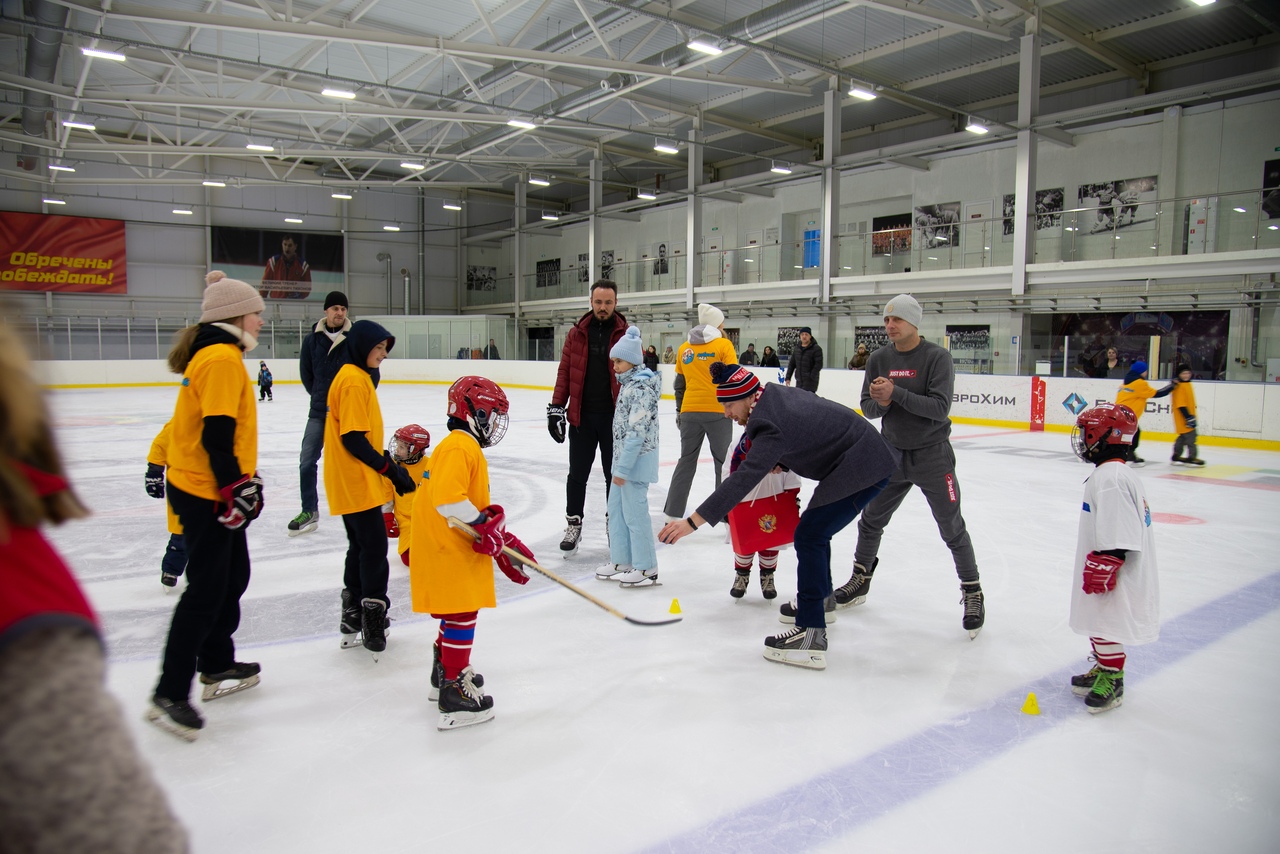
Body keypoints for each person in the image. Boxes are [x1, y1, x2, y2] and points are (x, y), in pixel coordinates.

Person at [0, 319, 189, 852]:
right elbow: (112, 825)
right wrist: (158, 468)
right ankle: (173, 568)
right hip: (186, 506)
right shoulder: (26, 596)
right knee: (180, 541)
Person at [658, 363, 898, 670]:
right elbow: (805, 428)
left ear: (746, 397)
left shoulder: (769, 423)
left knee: (810, 535)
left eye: (729, 405)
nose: (727, 414)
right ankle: (821, 603)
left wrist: (692, 522)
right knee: (815, 532)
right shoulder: (772, 395)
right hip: (862, 456)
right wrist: (782, 460)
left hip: (864, 465)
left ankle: (811, 634)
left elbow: (742, 479)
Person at [149, 271, 266, 741]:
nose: (260, 320)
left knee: (232, 577)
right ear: (235, 314)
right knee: (204, 591)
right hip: (203, 490)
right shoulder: (220, 358)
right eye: (256, 311)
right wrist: (235, 486)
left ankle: (216, 664)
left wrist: (241, 481)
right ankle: (169, 691)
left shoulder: (218, 354)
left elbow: (222, 436)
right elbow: (215, 435)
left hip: (205, 484)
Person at [836, 294, 985, 638]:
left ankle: (972, 591)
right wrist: (881, 401)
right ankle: (861, 578)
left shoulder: (937, 358)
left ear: (914, 323)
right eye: (887, 320)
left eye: (896, 320)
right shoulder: (878, 358)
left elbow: (939, 408)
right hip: (892, 455)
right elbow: (868, 409)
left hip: (933, 456)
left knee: (951, 526)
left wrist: (896, 393)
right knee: (871, 519)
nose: (889, 326)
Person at [409, 376, 535, 730]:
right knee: (463, 611)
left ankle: (445, 670)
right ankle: (453, 692)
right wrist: (483, 524)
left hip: (444, 543)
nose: (494, 423)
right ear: (474, 412)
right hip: (448, 547)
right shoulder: (461, 447)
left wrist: (492, 531)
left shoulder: (454, 446)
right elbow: (448, 499)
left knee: (456, 610)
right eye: (492, 414)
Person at [324, 320, 417, 655]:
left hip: (351, 477)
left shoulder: (356, 377)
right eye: (378, 347)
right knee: (375, 549)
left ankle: (353, 614)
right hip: (355, 478)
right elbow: (352, 438)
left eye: (386, 349)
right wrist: (389, 469)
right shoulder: (351, 381)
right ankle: (373, 617)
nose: (383, 354)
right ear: (362, 345)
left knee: (360, 547)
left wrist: (386, 468)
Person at [1067, 404, 1161, 713]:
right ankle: (1105, 667)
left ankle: (1113, 678)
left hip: (1116, 572)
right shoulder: (1112, 473)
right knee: (1098, 620)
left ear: (1104, 436)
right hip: (1111, 565)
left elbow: (1121, 527)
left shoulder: (1111, 478)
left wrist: (1108, 560)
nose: (1082, 439)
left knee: (1106, 621)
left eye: (1086, 433)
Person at [547, 280, 628, 556]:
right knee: (577, 475)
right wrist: (557, 407)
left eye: (608, 302)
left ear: (615, 303)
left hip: (613, 420)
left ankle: (613, 525)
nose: (603, 307)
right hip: (581, 418)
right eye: (598, 302)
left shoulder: (627, 334)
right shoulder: (576, 334)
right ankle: (573, 524)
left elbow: (635, 377)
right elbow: (565, 372)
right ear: (591, 302)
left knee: (613, 476)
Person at [595, 326, 662, 587]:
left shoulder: (641, 389)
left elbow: (636, 433)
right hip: (621, 464)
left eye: (619, 361)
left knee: (635, 515)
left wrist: (622, 469)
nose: (614, 366)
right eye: (613, 361)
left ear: (632, 361)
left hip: (635, 464)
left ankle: (647, 567)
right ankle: (622, 559)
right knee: (617, 512)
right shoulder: (627, 385)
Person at [664, 303, 737, 520]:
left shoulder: (684, 348)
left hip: (689, 412)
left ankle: (671, 515)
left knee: (686, 460)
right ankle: (726, 517)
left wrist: (680, 410)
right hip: (718, 411)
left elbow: (680, 384)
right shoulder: (724, 345)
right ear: (717, 324)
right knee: (723, 464)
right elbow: (733, 379)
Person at [291, 290, 351, 536]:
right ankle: (309, 511)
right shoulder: (312, 340)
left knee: (354, 463)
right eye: (335, 308)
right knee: (307, 462)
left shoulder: (354, 338)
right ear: (326, 311)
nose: (339, 312)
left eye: (343, 309)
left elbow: (370, 376)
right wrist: (319, 396)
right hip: (318, 413)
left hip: (346, 414)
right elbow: (307, 375)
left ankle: (362, 511)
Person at [725, 432, 800, 601]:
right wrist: (727, 496)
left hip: (774, 498)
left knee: (770, 539)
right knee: (746, 538)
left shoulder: (782, 440)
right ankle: (741, 574)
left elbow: (792, 470)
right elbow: (728, 469)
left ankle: (768, 575)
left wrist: (792, 493)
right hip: (745, 499)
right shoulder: (739, 442)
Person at [145, 421, 187, 589]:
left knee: (215, 533)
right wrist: (154, 471)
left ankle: (215, 570)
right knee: (181, 533)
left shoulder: (221, 423)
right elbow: (160, 445)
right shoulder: (179, 424)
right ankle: (171, 569)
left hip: (213, 486)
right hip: (182, 487)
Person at [383, 424, 432, 567]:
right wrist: (387, 517)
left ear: (415, 449)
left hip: (429, 519)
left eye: (402, 447)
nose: (397, 450)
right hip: (406, 520)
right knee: (409, 559)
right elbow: (386, 493)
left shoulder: (430, 465)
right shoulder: (392, 467)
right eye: (397, 445)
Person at [1115, 360, 1174, 467]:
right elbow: (1157, 393)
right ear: (1141, 371)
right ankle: (1128, 454)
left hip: (1119, 413)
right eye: (1145, 371)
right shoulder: (1140, 383)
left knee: (1130, 434)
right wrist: (1172, 386)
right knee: (1134, 434)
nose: (1146, 373)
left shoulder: (1124, 383)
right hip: (1128, 415)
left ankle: (1127, 453)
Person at [1170, 363, 1204, 466]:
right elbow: (1181, 404)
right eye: (1183, 373)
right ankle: (1192, 457)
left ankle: (1176, 455)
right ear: (1179, 374)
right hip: (1185, 418)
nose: (1186, 375)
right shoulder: (1180, 386)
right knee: (1191, 438)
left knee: (1183, 437)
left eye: (1188, 373)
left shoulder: (1187, 384)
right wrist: (1188, 417)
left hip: (1187, 417)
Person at [260, 234, 311, 299]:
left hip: (294, 304)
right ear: (282, 245)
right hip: (276, 302)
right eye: (285, 244)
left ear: (295, 246)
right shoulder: (273, 262)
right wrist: (262, 301)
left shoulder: (303, 266)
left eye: (290, 245)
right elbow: (265, 284)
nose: (287, 248)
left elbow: (307, 288)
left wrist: (298, 296)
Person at [785, 327, 823, 393]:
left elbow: (818, 364)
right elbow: (792, 364)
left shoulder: (816, 349)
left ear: (810, 336)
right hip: (799, 382)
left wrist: (811, 376)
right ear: (800, 336)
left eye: (806, 334)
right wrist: (788, 377)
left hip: (811, 383)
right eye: (802, 334)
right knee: (799, 401)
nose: (804, 336)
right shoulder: (797, 349)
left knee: (809, 402)